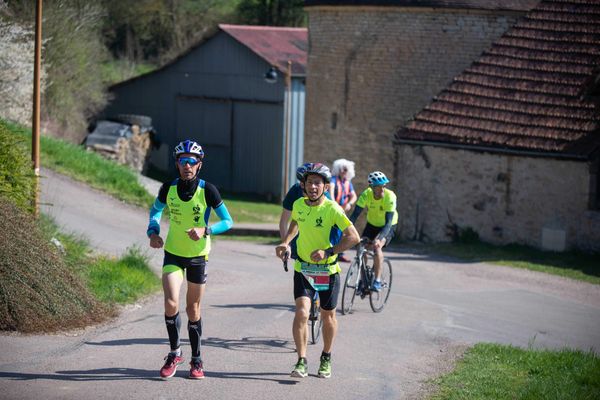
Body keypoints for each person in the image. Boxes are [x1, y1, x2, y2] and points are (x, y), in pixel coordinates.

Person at [146, 139, 233, 379]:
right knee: (171, 303)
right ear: (177, 164)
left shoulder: (208, 190)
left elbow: (228, 221)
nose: (187, 166)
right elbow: (155, 211)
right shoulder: (168, 188)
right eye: (183, 161)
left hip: (197, 257)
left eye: (192, 162)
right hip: (173, 253)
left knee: (193, 308)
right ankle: (175, 352)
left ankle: (197, 359)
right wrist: (153, 232)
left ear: (199, 165)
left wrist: (206, 231)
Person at [276, 163, 360, 379]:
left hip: (327, 271)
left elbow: (353, 237)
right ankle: (301, 360)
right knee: (302, 312)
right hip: (303, 268)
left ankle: (326, 356)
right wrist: (286, 242)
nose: (312, 187)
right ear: (303, 185)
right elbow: (295, 223)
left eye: (317, 183)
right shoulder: (299, 204)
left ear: (325, 186)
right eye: (309, 182)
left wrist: (329, 251)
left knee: (328, 315)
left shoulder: (333, 209)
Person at [349, 171, 398, 291]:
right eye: (378, 187)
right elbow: (354, 216)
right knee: (361, 247)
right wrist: (345, 231)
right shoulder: (366, 195)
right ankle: (363, 279)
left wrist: (379, 239)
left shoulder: (390, 196)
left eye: (383, 186)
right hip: (372, 224)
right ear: (371, 187)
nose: (382, 189)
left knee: (377, 246)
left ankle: (377, 280)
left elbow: (388, 223)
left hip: (388, 225)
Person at [279, 163, 332, 259]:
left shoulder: (326, 199)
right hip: (300, 242)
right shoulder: (295, 191)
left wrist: (329, 251)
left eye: (315, 183)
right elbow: (284, 221)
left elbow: (335, 229)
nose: (310, 188)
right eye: (306, 184)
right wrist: (286, 244)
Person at [329, 159, 358, 262]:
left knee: (342, 232)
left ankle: (339, 253)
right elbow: (331, 191)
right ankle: (331, 252)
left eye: (346, 169)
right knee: (333, 231)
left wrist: (349, 204)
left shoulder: (348, 183)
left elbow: (354, 196)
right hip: (333, 210)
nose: (343, 171)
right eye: (342, 169)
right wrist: (334, 205)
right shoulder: (333, 180)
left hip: (342, 210)